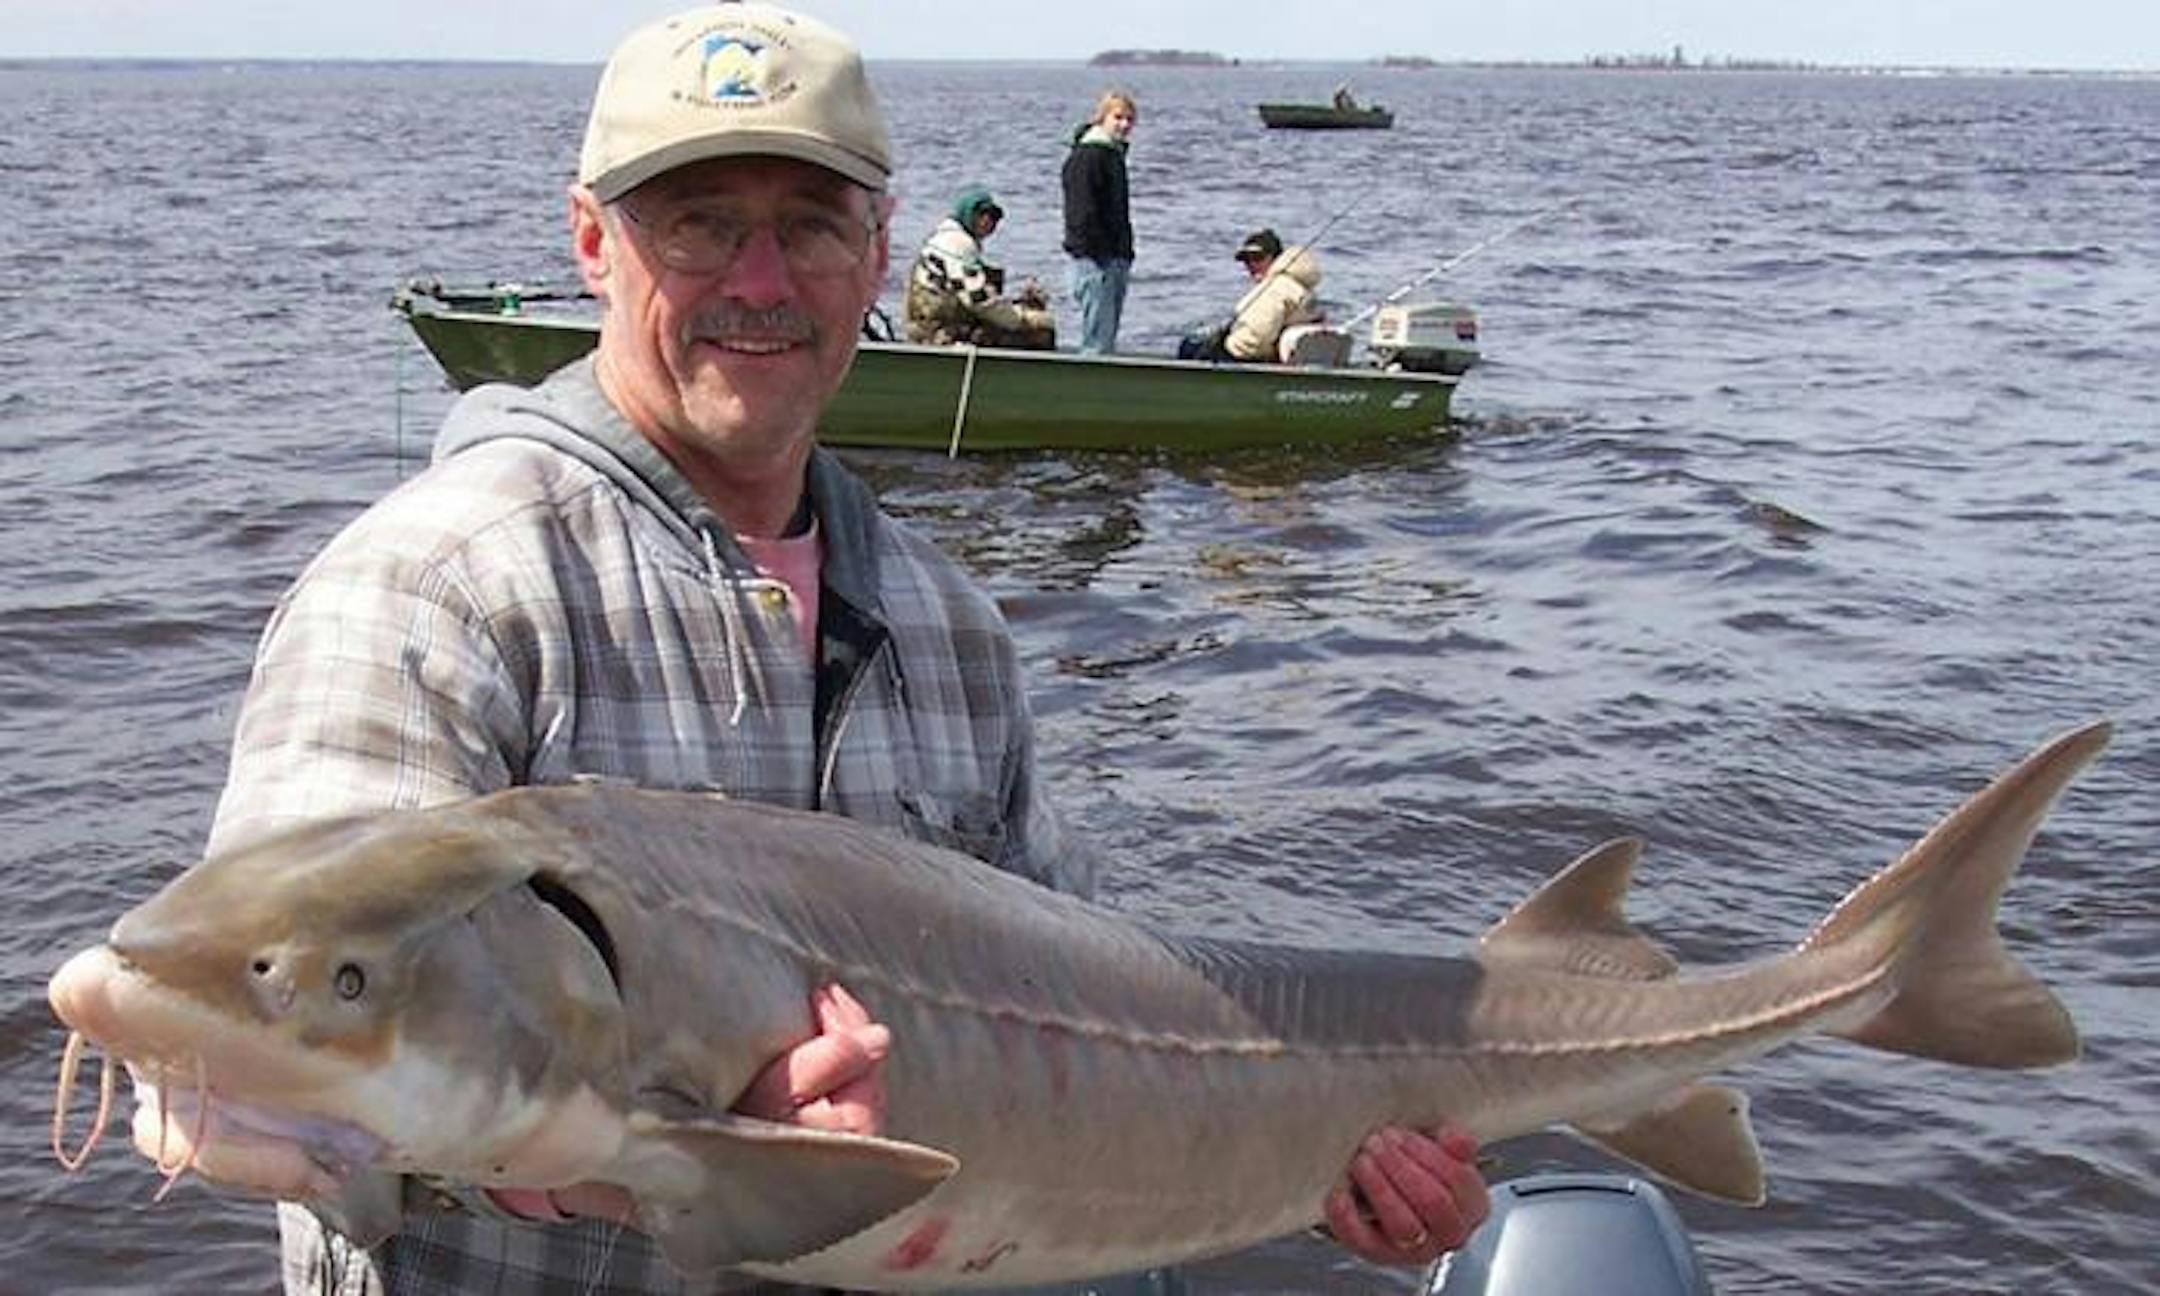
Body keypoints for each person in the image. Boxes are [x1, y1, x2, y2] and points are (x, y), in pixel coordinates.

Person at [150, 6, 1488, 1293]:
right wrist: (659, 1162)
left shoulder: (950, 628)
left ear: (879, 249)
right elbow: (250, 1064)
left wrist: (1311, 1160)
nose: (761, 282)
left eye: (810, 227)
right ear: (592, 243)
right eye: (701, 227)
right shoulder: (435, 588)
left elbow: (1112, 1016)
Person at [904, 183, 1055, 349]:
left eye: (993, 216)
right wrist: (1023, 319)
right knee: (1041, 333)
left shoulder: (942, 238)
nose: (987, 221)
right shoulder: (958, 244)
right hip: (938, 333)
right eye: (981, 213)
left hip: (924, 328)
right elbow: (978, 300)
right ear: (967, 213)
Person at [1060, 89, 1137, 354]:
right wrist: (1097, 252)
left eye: (1129, 120)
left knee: (1106, 336)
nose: (1124, 125)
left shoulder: (1113, 156)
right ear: (1102, 118)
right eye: (1118, 117)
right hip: (1094, 261)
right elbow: (1081, 212)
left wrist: (1125, 252)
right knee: (1097, 340)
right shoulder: (1088, 156)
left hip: (1114, 258)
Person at [1182, 228, 1324, 364]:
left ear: (1276, 258)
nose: (1251, 264)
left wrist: (1224, 349)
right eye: (1246, 260)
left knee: (1190, 346)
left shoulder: (1275, 290)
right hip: (1277, 358)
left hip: (1254, 360)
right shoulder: (1299, 287)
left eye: (1258, 258)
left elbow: (1255, 341)